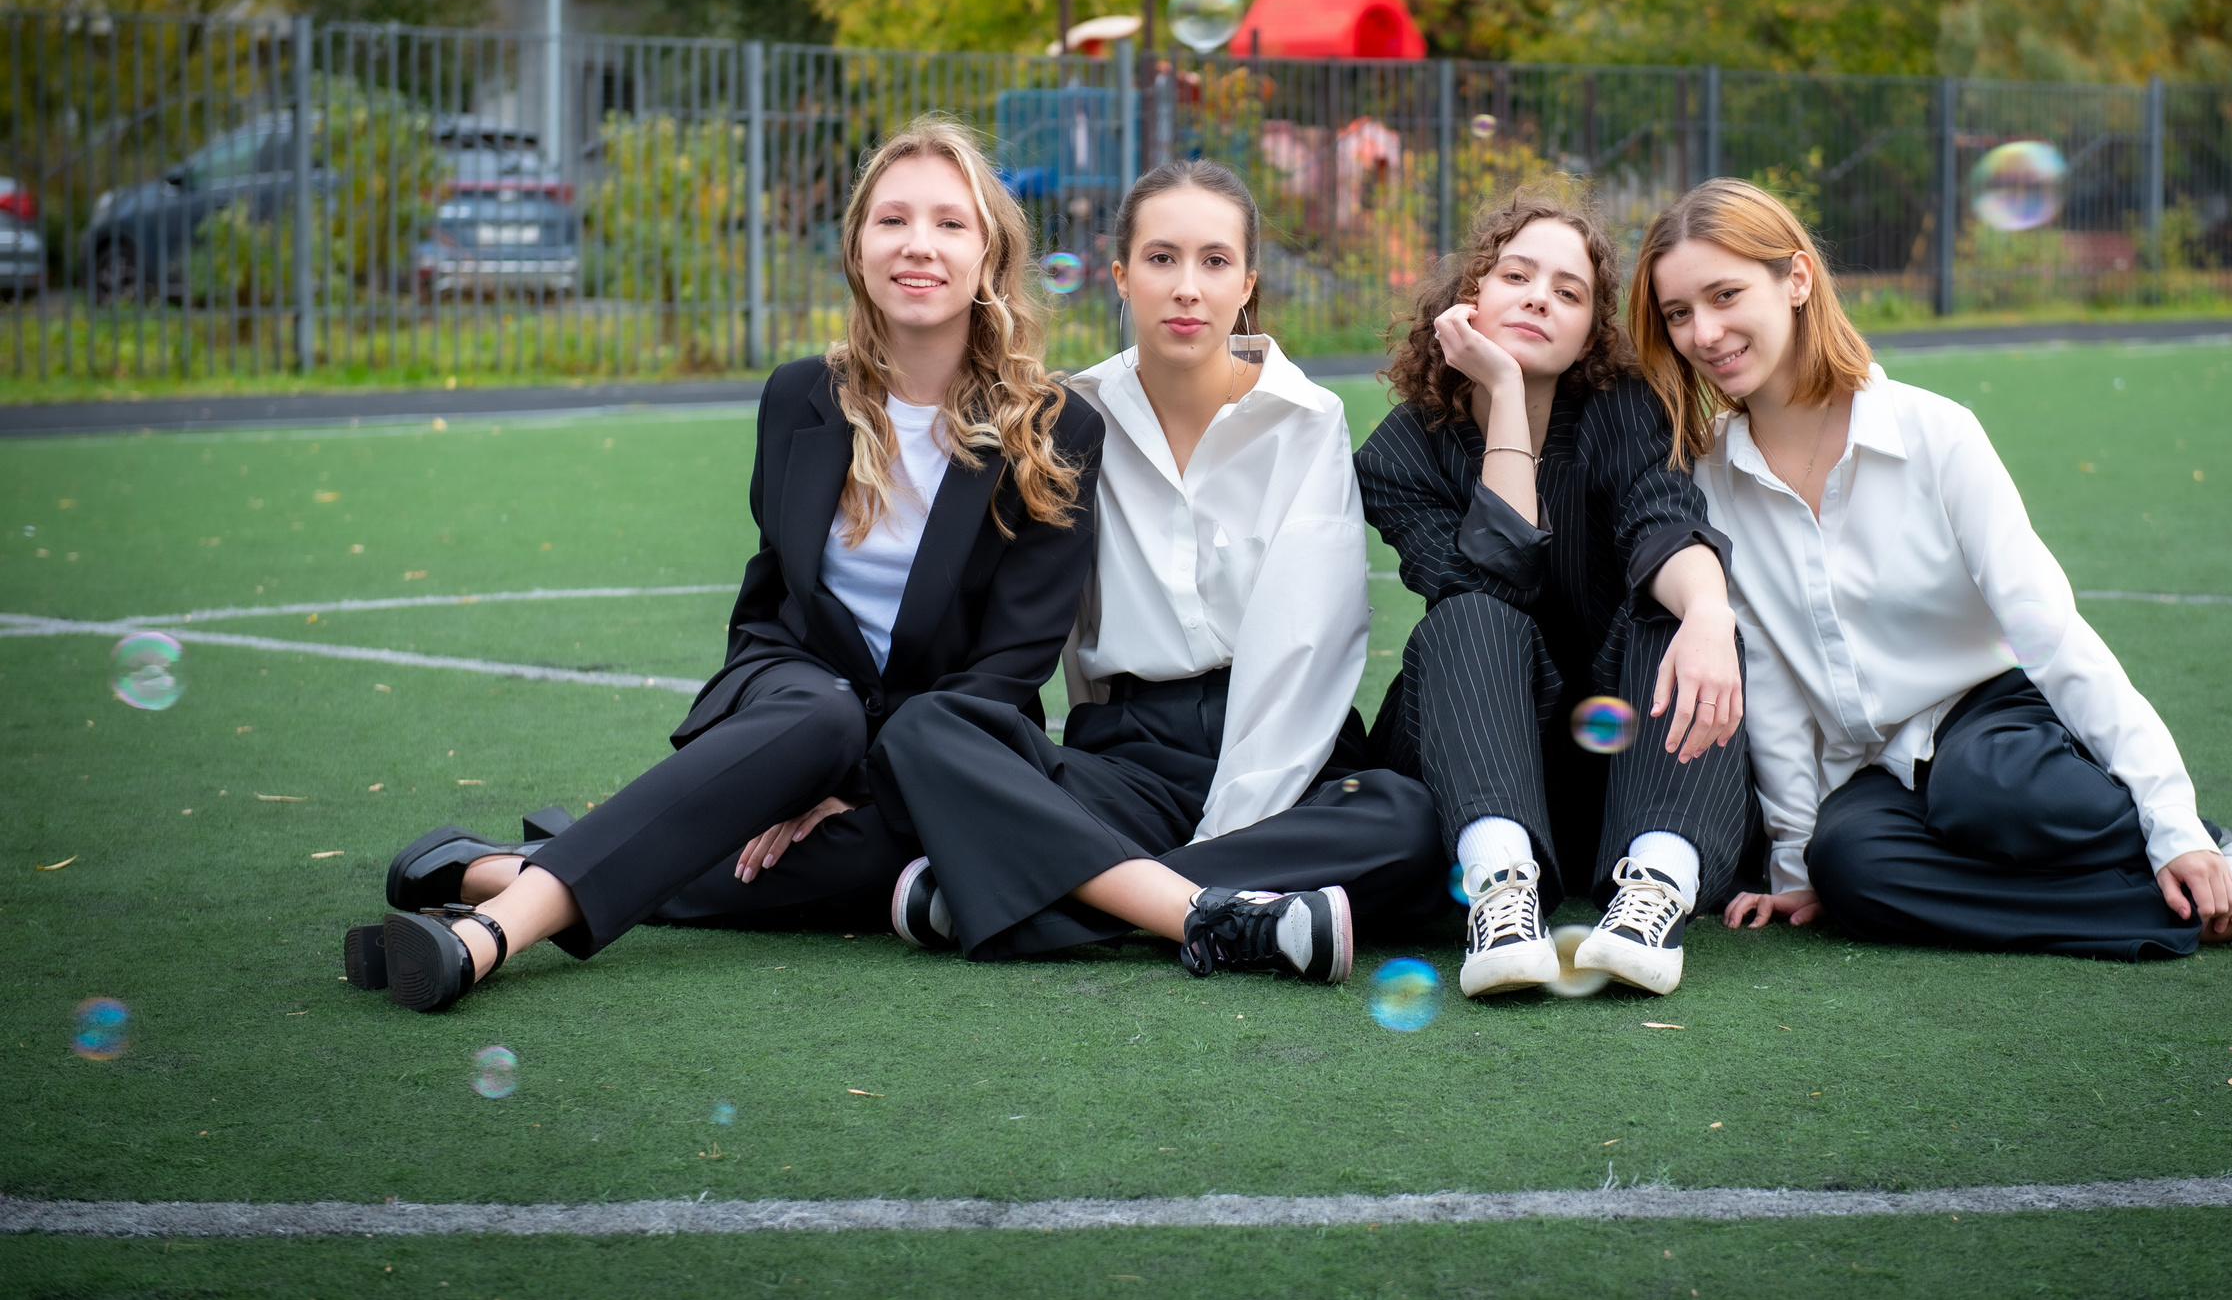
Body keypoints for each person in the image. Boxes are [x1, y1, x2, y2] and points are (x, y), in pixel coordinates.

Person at [350, 114, 1111, 1012]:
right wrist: (810, 761)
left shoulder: (1055, 428)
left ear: (991, 255)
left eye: (950, 223)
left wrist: (859, 783)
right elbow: (769, 600)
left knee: (882, 860)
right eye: (892, 220)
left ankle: (496, 871)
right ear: (858, 247)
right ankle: (487, 938)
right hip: (792, 697)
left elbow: (1011, 667)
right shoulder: (799, 397)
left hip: (947, 738)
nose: (919, 245)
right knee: (821, 718)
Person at [1631, 178, 2232, 959]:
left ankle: (2205, 852)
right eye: (1678, 313)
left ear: (1796, 278)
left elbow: (2051, 633)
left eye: (1725, 294)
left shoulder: (1934, 433)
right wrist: (1797, 860)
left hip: (1993, 720)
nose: (1704, 331)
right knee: (1852, 871)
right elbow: (1768, 675)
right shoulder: (1713, 480)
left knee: (1983, 789)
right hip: (1880, 767)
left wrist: (2175, 821)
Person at [876, 160, 1448, 978]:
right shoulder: (1066, 417)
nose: (1188, 287)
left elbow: (1306, 646)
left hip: (1284, 744)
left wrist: (1229, 827)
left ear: (1247, 281)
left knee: (1408, 821)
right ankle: (1226, 912)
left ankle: (1032, 893)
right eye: (1161, 258)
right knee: (927, 731)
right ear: (1119, 276)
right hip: (1127, 756)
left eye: (1215, 261)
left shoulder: (1307, 419)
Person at [1356, 190, 1760, 1000]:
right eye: (1516, 275)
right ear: (1469, 297)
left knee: (1677, 612)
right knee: (1470, 613)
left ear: (1589, 335)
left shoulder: (1621, 411)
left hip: (1623, 779)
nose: (1540, 296)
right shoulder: (1401, 454)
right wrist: (1505, 392)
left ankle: (1655, 889)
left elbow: (1665, 526)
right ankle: (1500, 896)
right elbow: (1491, 582)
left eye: (1569, 292)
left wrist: (1712, 614)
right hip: (1473, 763)